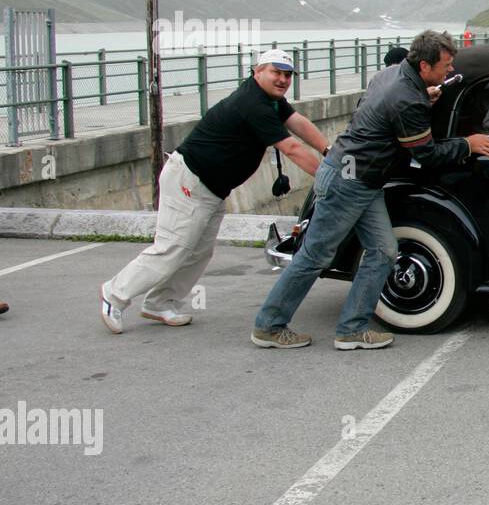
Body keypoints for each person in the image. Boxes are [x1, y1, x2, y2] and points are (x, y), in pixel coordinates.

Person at [251, 30, 489, 351]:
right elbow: (426, 154)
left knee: (384, 251)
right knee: (315, 256)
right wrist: (468, 143)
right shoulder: (406, 97)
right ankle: (269, 325)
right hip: (349, 184)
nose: (449, 71)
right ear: (425, 66)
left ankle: (352, 328)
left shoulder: (392, 75)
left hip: (361, 180)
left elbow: (382, 111)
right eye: (445, 65)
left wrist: (424, 97)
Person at [100, 49, 328, 334]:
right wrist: (329, 178)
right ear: (257, 72)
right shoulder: (252, 103)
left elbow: (297, 122)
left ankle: (159, 303)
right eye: (275, 72)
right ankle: (114, 295)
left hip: (213, 188)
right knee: (172, 247)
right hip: (190, 181)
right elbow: (292, 147)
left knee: (199, 252)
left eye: (287, 75)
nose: (282, 80)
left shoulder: (272, 100)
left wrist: (327, 150)